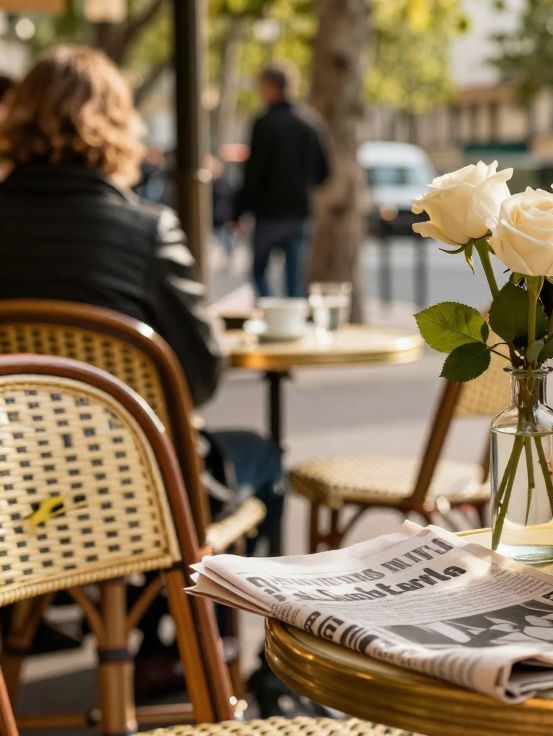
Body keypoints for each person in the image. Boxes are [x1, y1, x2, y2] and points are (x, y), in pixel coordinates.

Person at [0, 46, 287, 684]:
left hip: (16, 494)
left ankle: (134, 624)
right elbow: (201, 378)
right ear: (116, 125)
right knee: (262, 459)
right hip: (139, 495)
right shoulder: (145, 230)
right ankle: (191, 651)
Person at [237, 63, 330, 298]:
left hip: (269, 214)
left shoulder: (264, 123)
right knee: (294, 281)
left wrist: (240, 210)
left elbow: (253, 173)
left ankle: (271, 315)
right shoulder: (310, 123)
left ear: (271, 87)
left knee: (259, 271)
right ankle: (291, 324)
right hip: (299, 212)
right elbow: (324, 173)